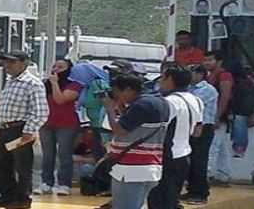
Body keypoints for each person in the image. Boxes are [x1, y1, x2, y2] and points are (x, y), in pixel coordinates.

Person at [0, 51, 49, 209]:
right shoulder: (11, 81)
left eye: (12, 62)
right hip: (6, 129)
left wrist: (28, 131)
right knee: (2, 163)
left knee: (22, 165)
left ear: (24, 63)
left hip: (20, 129)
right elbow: (10, 103)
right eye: (6, 62)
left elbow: (40, 111)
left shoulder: (32, 83)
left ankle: (23, 198)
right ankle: (7, 196)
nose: (7, 66)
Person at [101, 74, 170, 209]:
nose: (116, 96)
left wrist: (109, 110)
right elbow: (135, 124)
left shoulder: (141, 105)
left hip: (131, 169)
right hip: (151, 167)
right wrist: (122, 107)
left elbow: (120, 130)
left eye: (117, 92)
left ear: (128, 89)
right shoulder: (160, 102)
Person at [147, 64, 204, 209]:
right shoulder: (196, 100)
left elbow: (157, 130)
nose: (160, 81)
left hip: (166, 157)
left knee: (159, 200)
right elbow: (198, 131)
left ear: (170, 79)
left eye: (163, 77)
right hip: (184, 154)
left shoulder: (168, 102)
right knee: (172, 199)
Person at [35, 59, 80, 196]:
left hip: (67, 124)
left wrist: (55, 83)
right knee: (48, 155)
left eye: (60, 67)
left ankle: (64, 184)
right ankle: (46, 183)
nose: (56, 69)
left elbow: (60, 99)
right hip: (46, 123)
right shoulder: (44, 85)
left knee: (64, 155)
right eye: (54, 66)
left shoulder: (73, 85)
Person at [183, 64, 219, 205]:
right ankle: (192, 189)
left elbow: (192, 103)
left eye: (191, 73)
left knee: (199, 161)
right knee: (190, 160)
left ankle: (200, 193)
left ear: (200, 74)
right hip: (192, 126)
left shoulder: (207, 90)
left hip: (204, 127)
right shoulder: (189, 88)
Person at [67, 63, 111, 161]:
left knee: (101, 156)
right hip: (95, 124)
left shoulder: (99, 84)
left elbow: (97, 103)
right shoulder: (87, 86)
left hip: (103, 126)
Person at [205, 51, 235, 187]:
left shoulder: (224, 76)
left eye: (210, 60)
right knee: (221, 146)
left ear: (219, 62)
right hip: (219, 115)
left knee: (213, 145)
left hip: (219, 116)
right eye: (205, 60)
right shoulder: (212, 76)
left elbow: (225, 96)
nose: (206, 62)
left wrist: (217, 115)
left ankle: (208, 174)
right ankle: (223, 175)